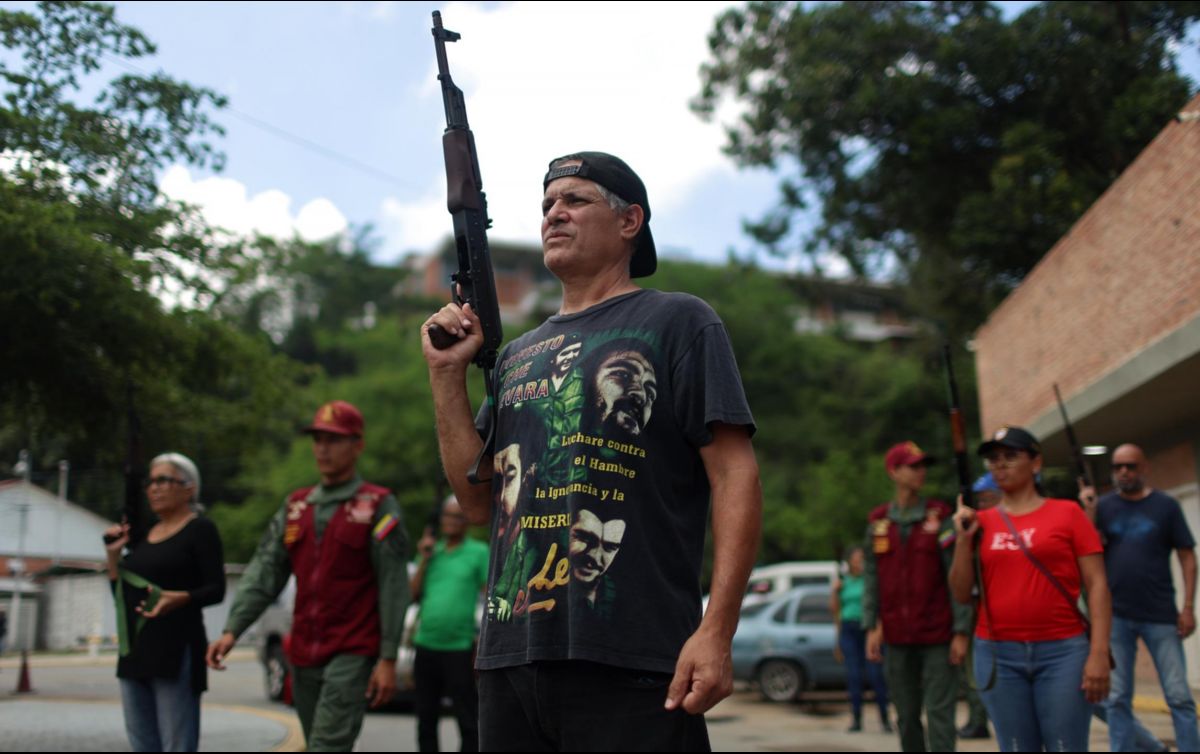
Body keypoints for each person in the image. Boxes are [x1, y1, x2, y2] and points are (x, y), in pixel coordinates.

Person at [422, 151, 762, 751]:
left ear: (629, 221)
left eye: (576, 200)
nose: (555, 213)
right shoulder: (517, 355)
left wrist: (717, 629)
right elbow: (479, 504)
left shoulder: (680, 321)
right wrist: (447, 378)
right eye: (548, 204)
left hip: (635, 655)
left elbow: (735, 475)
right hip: (509, 657)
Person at [205, 400, 409, 752]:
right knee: (318, 741)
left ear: (357, 445)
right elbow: (265, 570)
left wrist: (388, 658)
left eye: (334, 439)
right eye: (317, 439)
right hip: (302, 652)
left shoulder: (377, 505)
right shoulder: (296, 506)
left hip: (352, 650)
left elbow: (393, 585)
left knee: (327, 745)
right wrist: (232, 629)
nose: (323, 448)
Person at [949, 426, 1111, 752]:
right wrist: (963, 541)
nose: (1000, 465)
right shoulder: (979, 521)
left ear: (1036, 463)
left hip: (1063, 652)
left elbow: (1097, 585)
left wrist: (1098, 652)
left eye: (1011, 456)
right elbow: (961, 593)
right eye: (993, 459)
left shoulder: (1068, 513)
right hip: (998, 653)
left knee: (1066, 745)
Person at [103, 452, 224, 752]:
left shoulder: (200, 530)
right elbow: (122, 596)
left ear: (189, 487)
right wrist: (113, 557)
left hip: (176, 650)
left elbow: (216, 589)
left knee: (176, 744)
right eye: (151, 482)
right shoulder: (142, 536)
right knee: (143, 744)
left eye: (164, 480)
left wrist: (180, 598)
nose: (154, 488)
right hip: (134, 652)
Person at [1084, 443, 1199, 752]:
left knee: (1179, 696)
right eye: (1118, 466)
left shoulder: (1166, 507)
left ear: (1144, 468)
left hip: (1161, 614)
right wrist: (1089, 512)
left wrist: (1188, 607)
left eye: (1131, 466)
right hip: (1116, 615)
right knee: (1118, 697)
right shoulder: (1104, 507)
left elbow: (1188, 558)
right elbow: (1087, 554)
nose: (1124, 472)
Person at [862, 441, 972, 752]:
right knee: (906, 716)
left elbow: (957, 576)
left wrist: (961, 631)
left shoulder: (941, 515)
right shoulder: (878, 522)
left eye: (923, 465)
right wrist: (872, 624)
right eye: (913, 466)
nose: (921, 471)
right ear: (894, 472)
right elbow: (871, 576)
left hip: (938, 633)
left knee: (940, 713)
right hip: (896, 636)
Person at [411, 496, 489, 752]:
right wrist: (423, 558)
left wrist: (484, 639)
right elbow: (413, 594)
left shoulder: (478, 552)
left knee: (467, 720)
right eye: (447, 515)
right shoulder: (431, 551)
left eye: (458, 516)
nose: (452, 521)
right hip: (425, 646)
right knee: (425, 720)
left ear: (467, 520)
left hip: (460, 647)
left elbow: (490, 594)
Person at [956, 473, 999, 741]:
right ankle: (978, 719)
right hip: (978, 614)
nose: (981, 504)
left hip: (1007, 620)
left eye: (986, 498)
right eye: (979, 499)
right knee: (975, 676)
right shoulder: (976, 529)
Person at [831, 546, 891, 734]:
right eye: (856, 558)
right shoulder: (844, 582)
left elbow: (880, 608)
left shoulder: (871, 582)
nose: (859, 562)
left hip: (868, 629)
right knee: (854, 676)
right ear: (849, 562)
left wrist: (879, 633)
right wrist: (834, 591)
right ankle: (856, 719)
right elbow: (835, 611)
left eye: (862, 558)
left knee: (876, 676)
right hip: (848, 630)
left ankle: (885, 719)